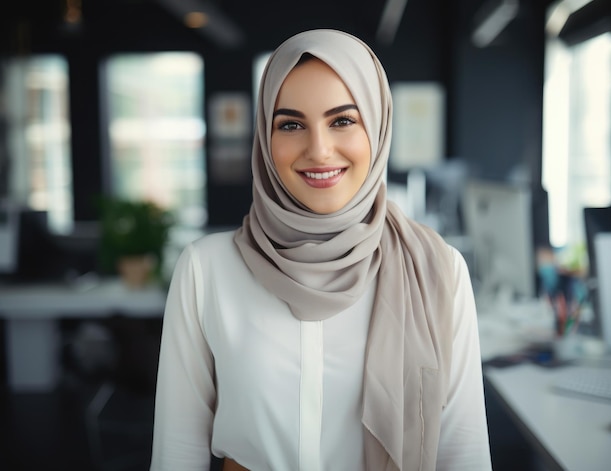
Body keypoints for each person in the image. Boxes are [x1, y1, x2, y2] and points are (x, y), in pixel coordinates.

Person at [150, 29, 492, 471]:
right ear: (265, 139)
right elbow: (177, 454)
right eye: (290, 124)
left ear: (378, 126)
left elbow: (463, 455)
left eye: (343, 120)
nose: (319, 149)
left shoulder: (439, 269)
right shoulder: (206, 269)